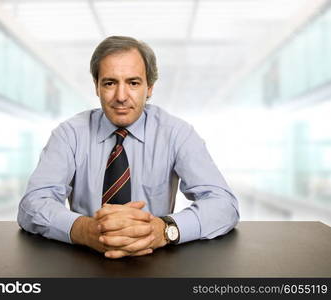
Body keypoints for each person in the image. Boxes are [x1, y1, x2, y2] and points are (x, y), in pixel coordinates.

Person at [17, 36, 239, 259]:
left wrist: (164, 230)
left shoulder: (177, 133)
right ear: (96, 86)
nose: (121, 97)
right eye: (110, 83)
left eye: (133, 83)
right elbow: (32, 204)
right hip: (83, 261)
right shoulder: (69, 134)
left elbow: (224, 204)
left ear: (149, 87)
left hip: (156, 262)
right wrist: (84, 230)